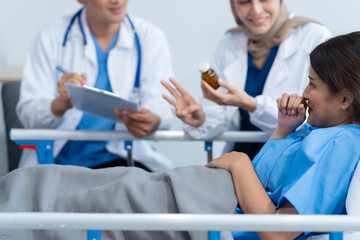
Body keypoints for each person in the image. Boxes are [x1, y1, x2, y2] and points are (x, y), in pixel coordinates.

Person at [1, 32, 360, 240]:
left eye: (312, 84)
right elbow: (266, 176)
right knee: (75, 182)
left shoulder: (344, 144)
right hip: (194, 190)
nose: (305, 92)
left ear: (345, 98)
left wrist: (237, 163)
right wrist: (282, 128)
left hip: (207, 207)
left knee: (80, 196)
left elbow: (278, 232)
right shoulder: (315, 130)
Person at [16, 0, 174, 172]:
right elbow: (28, 114)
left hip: (122, 161)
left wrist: (151, 120)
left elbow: (161, 107)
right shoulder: (50, 38)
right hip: (59, 163)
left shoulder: (149, 37)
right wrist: (61, 103)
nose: (117, 1)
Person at [162, 0, 331, 159]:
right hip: (241, 160)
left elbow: (318, 117)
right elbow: (218, 116)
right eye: (244, 1)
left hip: (289, 160)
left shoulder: (314, 36)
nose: (256, 10)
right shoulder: (229, 42)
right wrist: (200, 119)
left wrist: (250, 104)